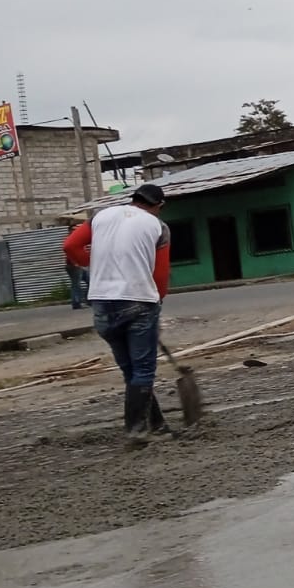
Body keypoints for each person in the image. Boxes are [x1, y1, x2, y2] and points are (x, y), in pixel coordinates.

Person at [63, 183, 173, 444]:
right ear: (158, 206)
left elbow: (70, 246)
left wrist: (93, 265)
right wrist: (157, 301)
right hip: (139, 301)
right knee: (143, 369)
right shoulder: (158, 226)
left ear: (134, 199)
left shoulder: (100, 216)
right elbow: (160, 274)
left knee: (131, 370)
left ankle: (157, 425)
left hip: (102, 303)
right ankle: (136, 430)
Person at [64, 223, 89, 309]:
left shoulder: (77, 239)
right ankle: (76, 303)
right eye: (74, 229)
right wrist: (75, 263)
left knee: (90, 280)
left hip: (80, 265)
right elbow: (68, 251)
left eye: (77, 229)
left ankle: (88, 300)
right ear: (70, 231)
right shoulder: (69, 240)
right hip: (73, 266)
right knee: (76, 285)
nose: (76, 231)